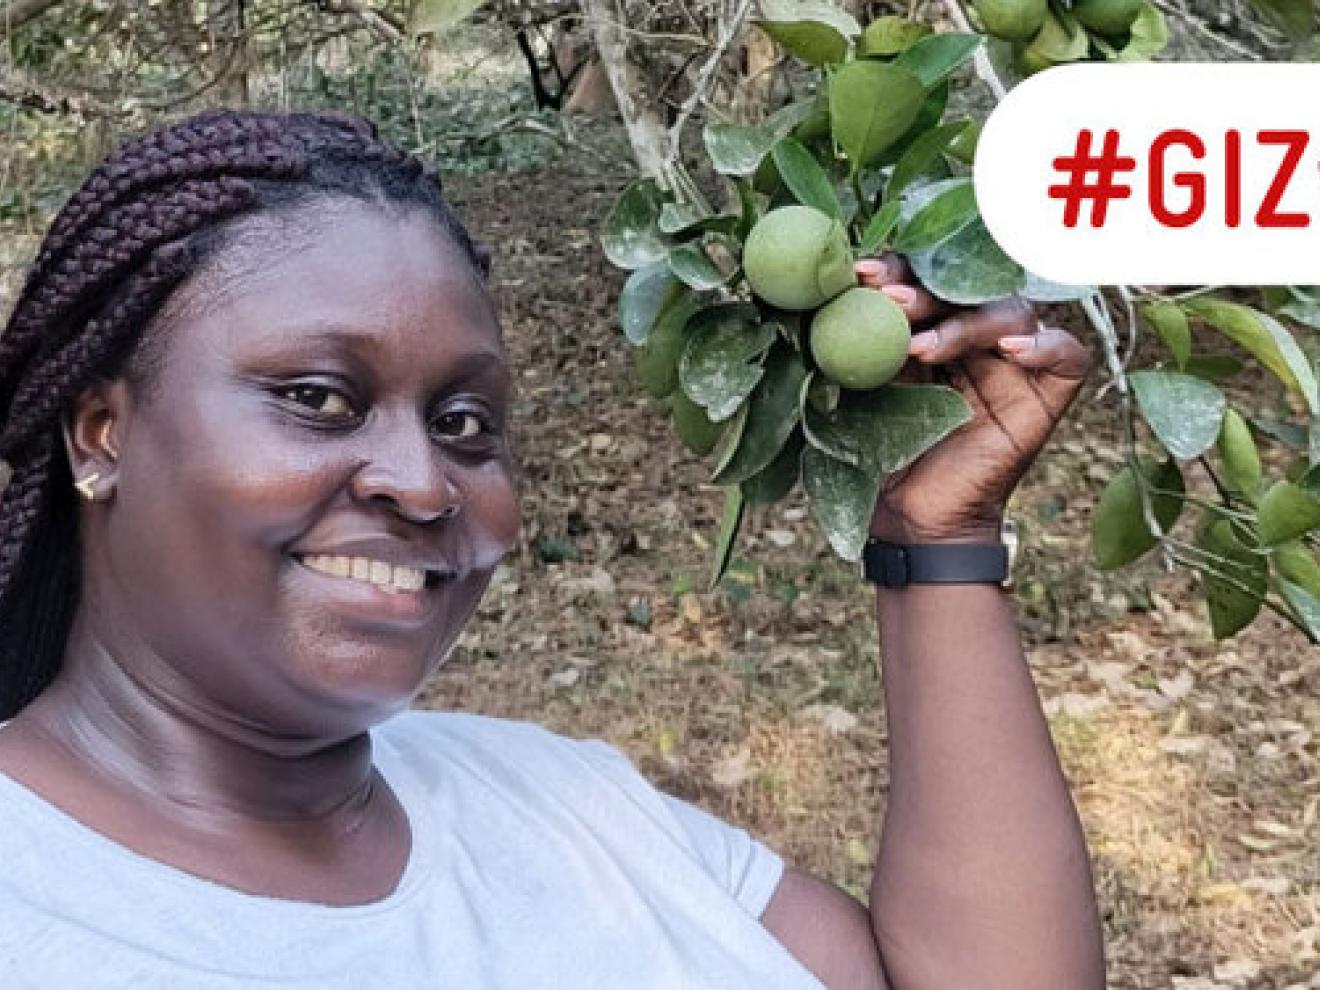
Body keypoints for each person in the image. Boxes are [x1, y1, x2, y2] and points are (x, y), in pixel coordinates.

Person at [0, 109, 1103, 988]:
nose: (424, 481)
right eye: (318, 397)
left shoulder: (564, 801)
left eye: (466, 423)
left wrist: (936, 539)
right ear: (105, 434)